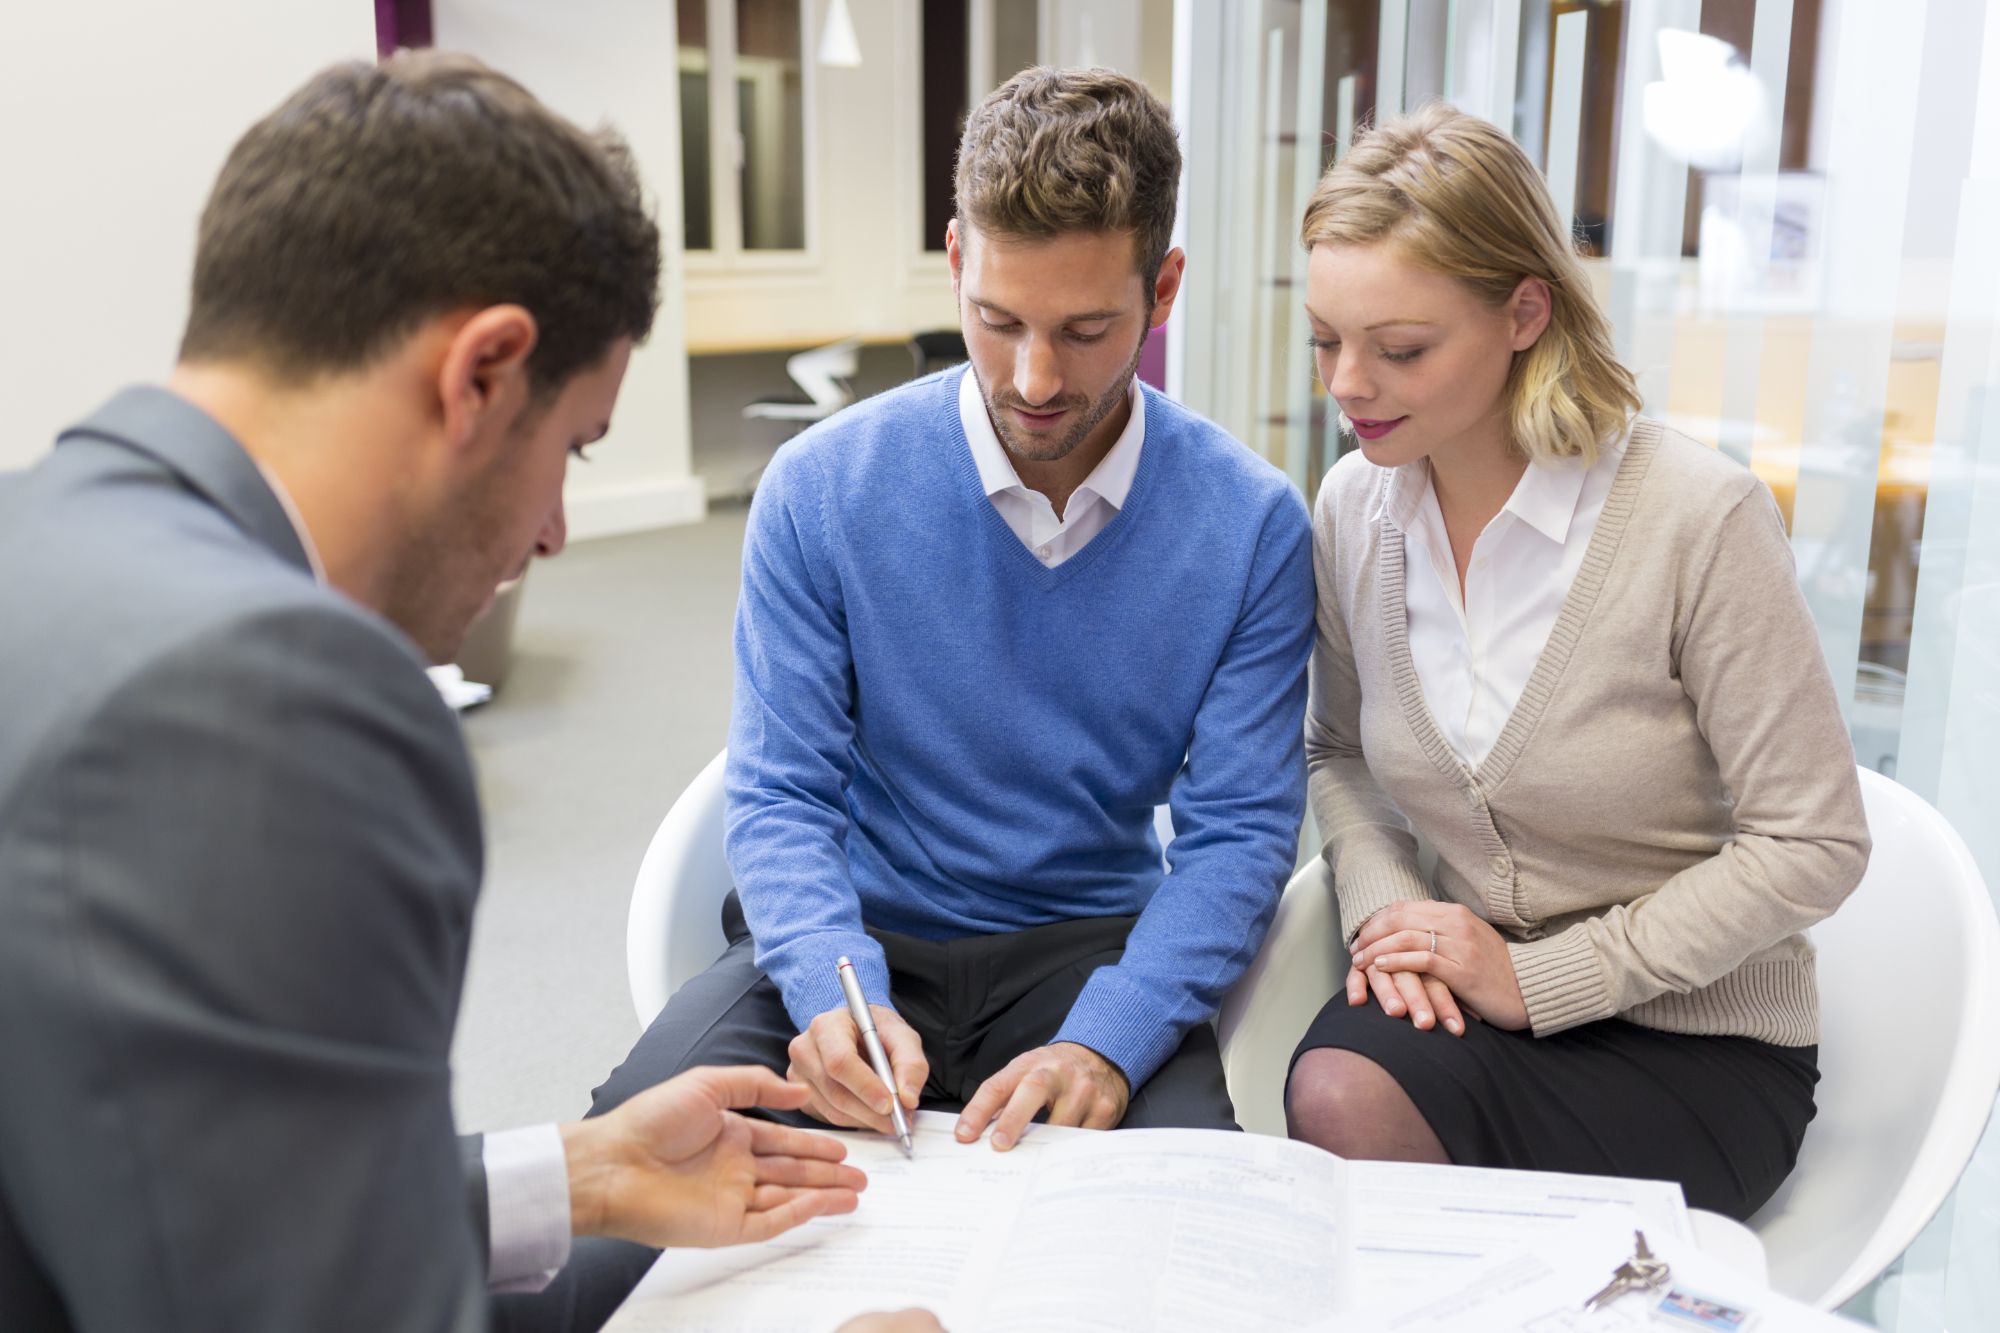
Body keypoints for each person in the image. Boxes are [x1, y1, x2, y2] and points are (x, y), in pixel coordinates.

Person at [0, 51, 939, 1333]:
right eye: (573, 450)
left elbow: (207, 1185)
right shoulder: (275, 697)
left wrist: (583, 1169)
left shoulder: (40, 537)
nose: (554, 531)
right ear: (483, 372)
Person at [508, 65, 1315, 1328]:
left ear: (1160, 290)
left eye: (1085, 330)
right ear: (953, 259)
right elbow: (777, 792)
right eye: (997, 319)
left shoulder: (1253, 526)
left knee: (1173, 1270)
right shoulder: (818, 487)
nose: (1035, 376)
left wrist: (1112, 1034)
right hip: (846, 939)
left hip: (1084, 952)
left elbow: (1237, 838)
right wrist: (837, 986)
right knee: (587, 1242)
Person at [1283, 104, 1870, 1220]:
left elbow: (1815, 841)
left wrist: (1537, 978)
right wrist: (1388, 916)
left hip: (1693, 1042)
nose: (1345, 383)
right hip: (1461, 985)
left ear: (1523, 311)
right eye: (1324, 338)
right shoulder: (1354, 508)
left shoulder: (1697, 518)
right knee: (1333, 1093)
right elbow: (1337, 751)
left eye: (1398, 348)